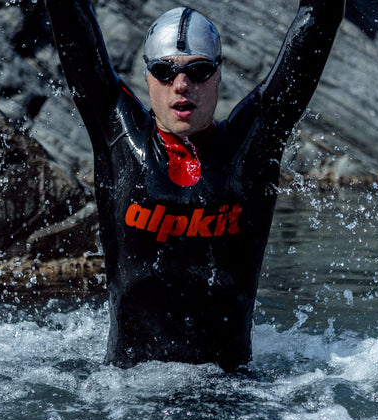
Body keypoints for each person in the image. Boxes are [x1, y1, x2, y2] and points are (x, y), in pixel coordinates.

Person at [45, 0, 344, 370]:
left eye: (199, 71)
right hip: (129, 394)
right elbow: (70, 19)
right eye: (164, 72)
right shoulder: (118, 138)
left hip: (230, 393)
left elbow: (320, 18)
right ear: (147, 78)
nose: (182, 85)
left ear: (218, 75)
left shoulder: (251, 147)